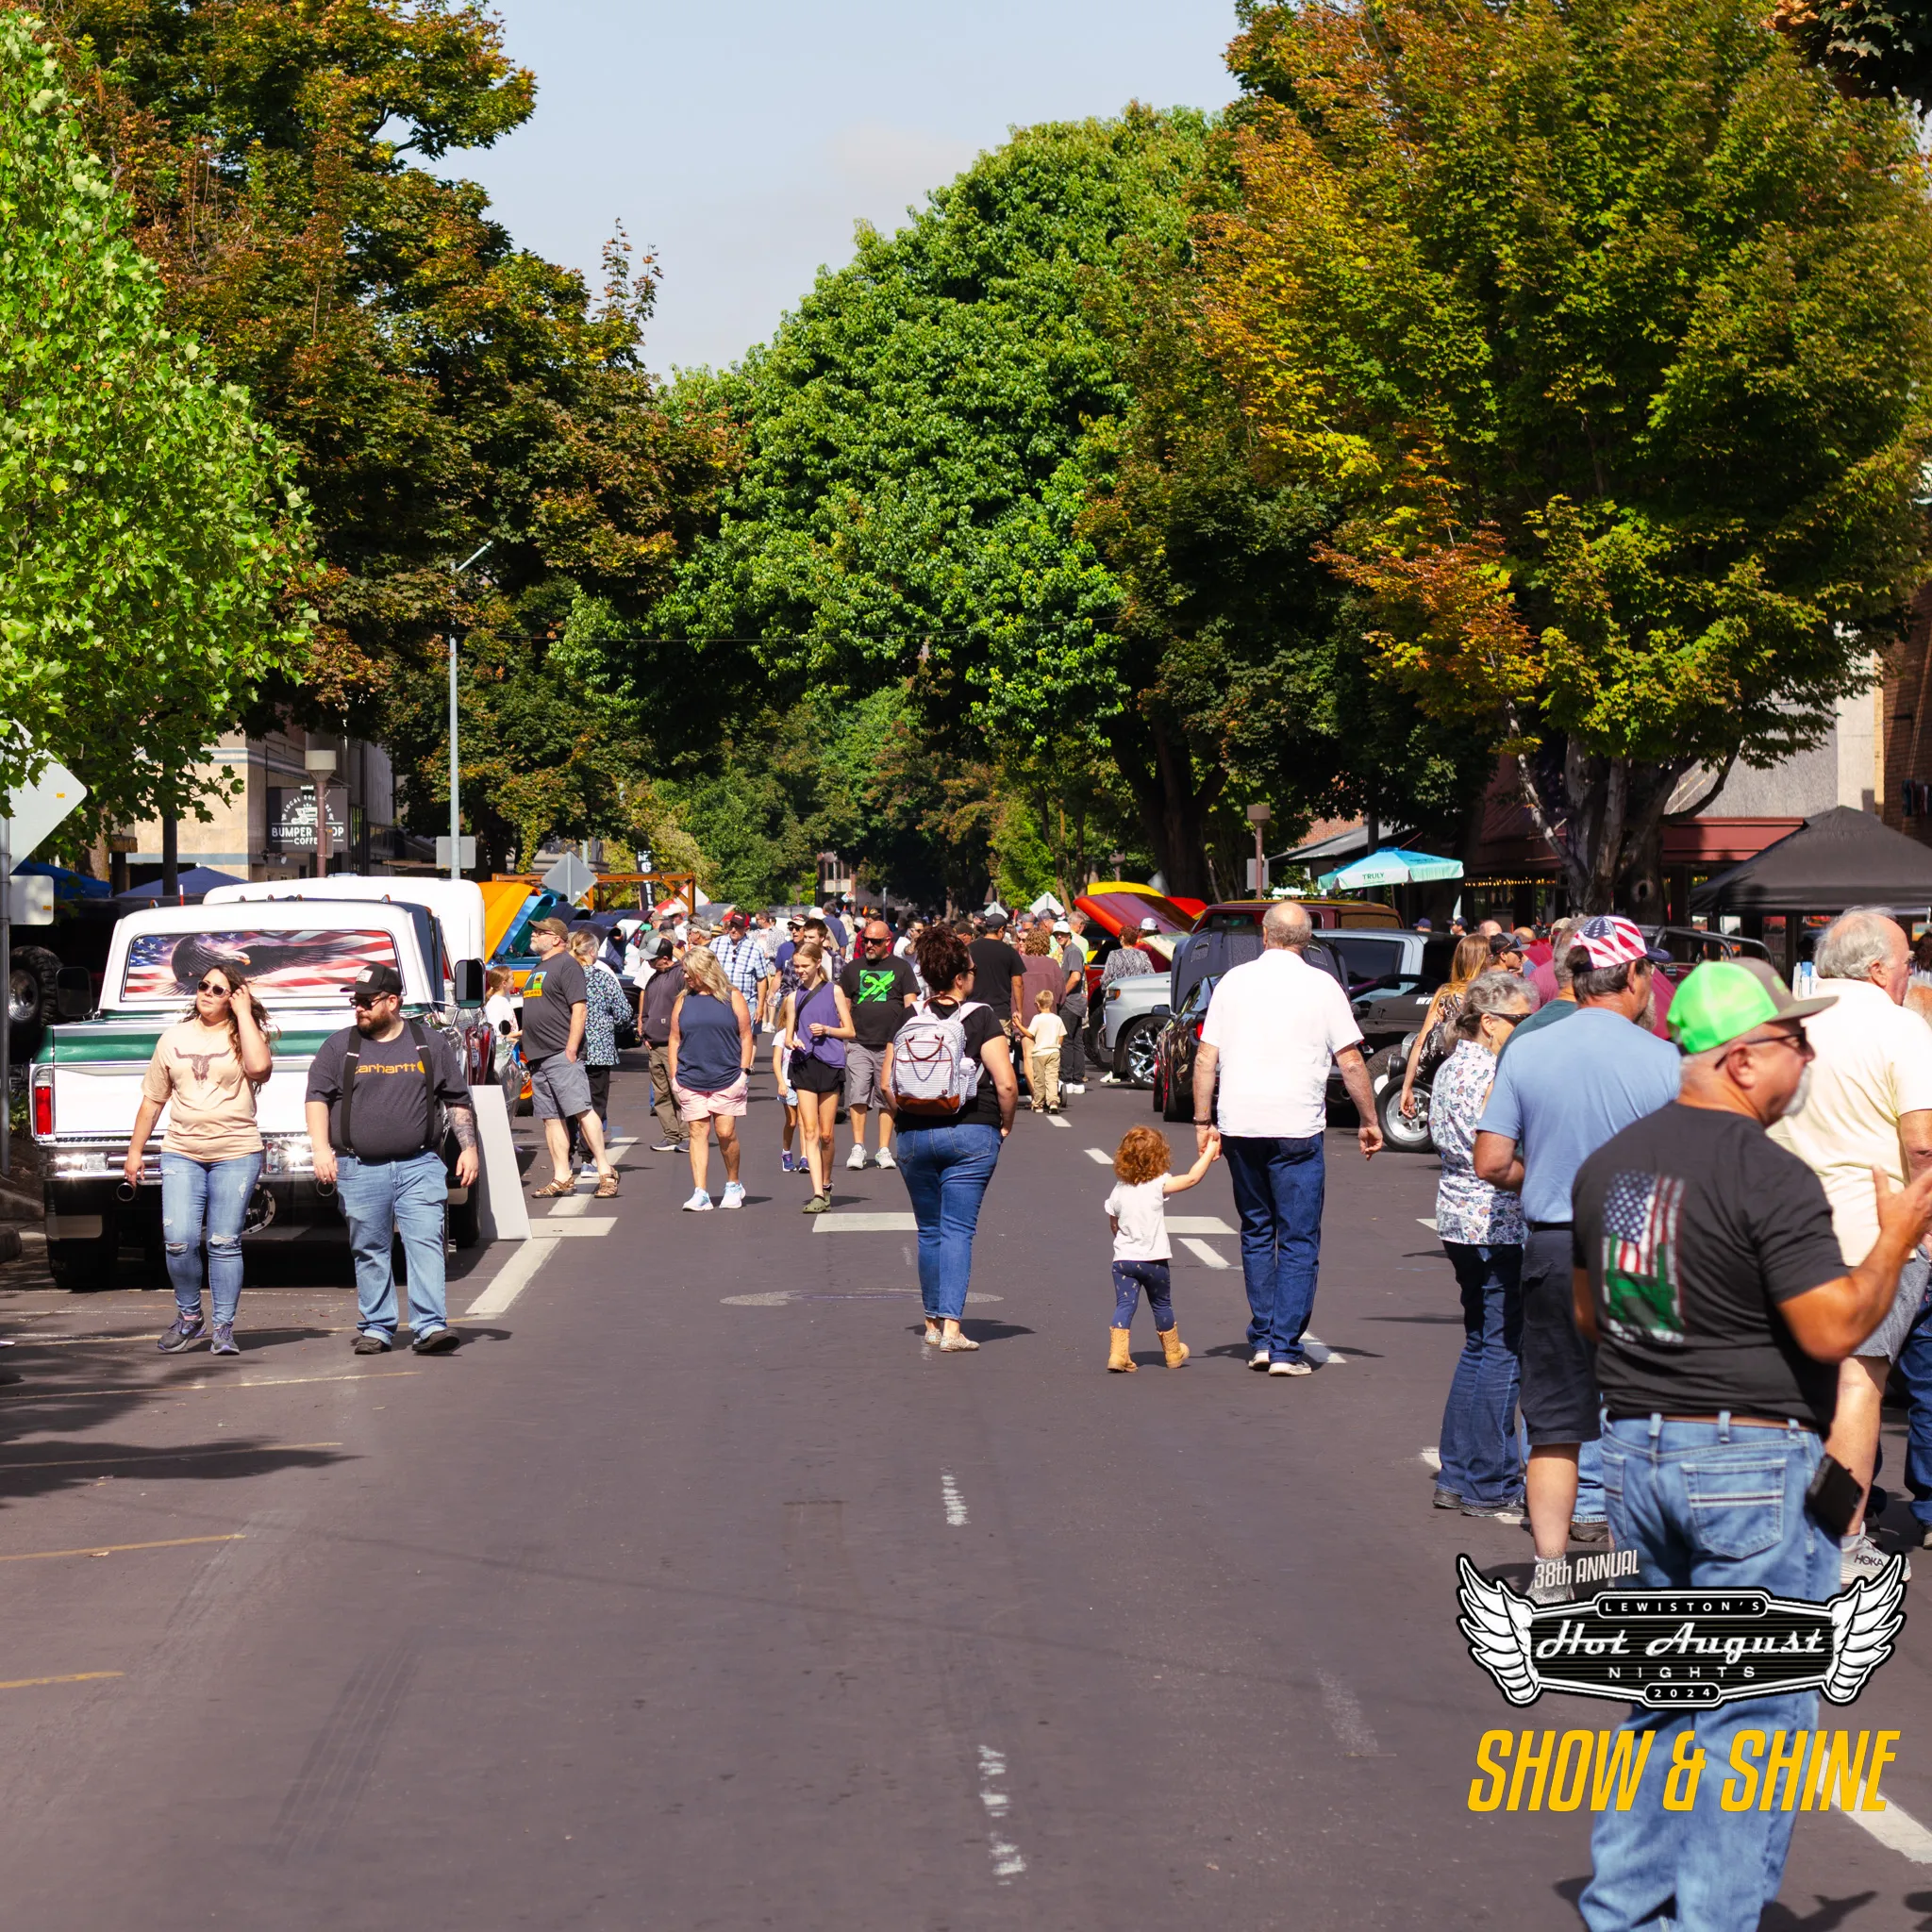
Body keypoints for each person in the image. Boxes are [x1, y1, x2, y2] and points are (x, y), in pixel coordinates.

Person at [1573, 958, 1932, 1932]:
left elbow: (1587, 1309)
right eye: (1790, 1042)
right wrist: (1896, 1231)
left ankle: (1623, 1910)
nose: (1803, 1058)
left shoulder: (1613, 1162)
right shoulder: (1767, 1172)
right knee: (1752, 1724)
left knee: (1664, 1699)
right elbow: (1829, 1327)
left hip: (1635, 1452)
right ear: (1738, 1059)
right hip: (1740, 1459)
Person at [1474, 915, 1679, 1592]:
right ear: (1632, 976)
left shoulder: (1530, 1051)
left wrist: (1551, 1175)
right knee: (1641, 1415)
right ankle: (1639, 1570)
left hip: (1555, 1245)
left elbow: (1490, 1160)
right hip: (1637, 1244)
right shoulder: (1662, 1059)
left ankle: (1551, 1570)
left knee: (1556, 1419)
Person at [1768, 910, 1932, 1582]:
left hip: (1783, 1229)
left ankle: (1779, 1524)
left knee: (1792, 1387)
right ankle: (1842, 1538)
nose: (1908, 972)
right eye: (1903, 962)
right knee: (1860, 1384)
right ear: (1876, 969)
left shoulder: (1793, 1022)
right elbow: (1921, 1141)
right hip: (1873, 1233)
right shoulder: (1900, 1028)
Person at [1191, 901, 1383, 1375]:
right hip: (1297, 1126)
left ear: (1265, 935)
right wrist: (1368, 1119)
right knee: (1297, 1238)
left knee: (1256, 1230)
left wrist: (1202, 1120)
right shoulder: (1322, 986)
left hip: (1240, 1123)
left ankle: (1262, 1337)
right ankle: (1283, 1348)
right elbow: (1352, 1060)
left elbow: (1205, 1057)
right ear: (1307, 941)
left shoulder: (1233, 982)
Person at [305, 965, 477, 1355]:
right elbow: (317, 1097)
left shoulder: (429, 1044)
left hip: (420, 1164)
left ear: (393, 1002)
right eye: (356, 1002)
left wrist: (469, 1147)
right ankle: (377, 1327)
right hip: (358, 1167)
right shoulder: (339, 1046)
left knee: (427, 1244)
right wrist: (320, 1149)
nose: (359, 1009)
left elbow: (456, 1098)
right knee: (370, 1249)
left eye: (367, 1002)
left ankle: (430, 1326)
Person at [1426, 972, 1535, 1516]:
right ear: (1489, 1021)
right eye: (1520, 1019)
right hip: (1494, 1221)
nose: (1526, 1028)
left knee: (1479, 1344)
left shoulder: (1453, 1066)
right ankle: (1489, 1480)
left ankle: (1459, 1473)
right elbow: (1493, 1157)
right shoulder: (1488, 1070)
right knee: (1500, 1348)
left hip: (1458, 1217)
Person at [882, 924, 1019, 1352]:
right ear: (960, 978)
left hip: (913, 1136)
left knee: (929, 1231)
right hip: (971, 1132)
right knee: (958, 1229)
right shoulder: (980, 1017)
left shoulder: (909, 1017)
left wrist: (909, 1112)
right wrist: (1005, 1124)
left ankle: (931, 1324)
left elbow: (888, 1084)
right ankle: (954, 1329)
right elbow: (1007, 1084)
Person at [126, 962, 274, 1356]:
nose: (207, 993)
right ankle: (190, 1317)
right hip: (181, 1152)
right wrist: (135, 1151)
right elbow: (153, 1099)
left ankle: (224, 1328)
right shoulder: (172, 1038)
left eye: (219, 990)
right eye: (203, 986)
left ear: (234, 997)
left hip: (236, 1152)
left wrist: (244, 1014)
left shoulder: (243, 1034)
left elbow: (260, 1069)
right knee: (179, 1241)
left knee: (224, 1242)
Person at [1104, 1124, 1220, 1372]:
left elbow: (1114, 1225)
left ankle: (1117, 1354)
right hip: (1154, 1261)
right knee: (1161, 1305)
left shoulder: (1118, 1190)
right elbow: (1191, 1178)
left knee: (1125, 1305)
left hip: (1123, 1262)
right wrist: (1211, 1149)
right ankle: (1173, 1353)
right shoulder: (1158, 1184)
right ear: (1159, 1157)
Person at [522, 917, 619, 1199]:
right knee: (551, 1118)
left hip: (560, 1052)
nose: (534, 935)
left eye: (541, 932)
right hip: (539, 1056)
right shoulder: (538, 968)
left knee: (581, 1109)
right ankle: (562, 1176)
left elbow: (579, 1008)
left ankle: (605, 1170)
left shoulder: (566, 964)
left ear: (556, 939)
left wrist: (572, 1048)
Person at [668, 943, 756, 1211]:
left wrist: (744, 1072)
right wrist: (674, 1076)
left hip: (727, 1075)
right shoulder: (683, 999)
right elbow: (674, 1037)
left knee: (725, 1132)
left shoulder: (732, 997)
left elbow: (746, 1035)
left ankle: (733, 1183)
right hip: (690, 1077)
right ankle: (701, 1192)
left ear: (705, 971)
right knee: (697, 1132)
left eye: (688, 972)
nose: (684, 977)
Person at [838, 919, 919, 1171]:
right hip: (859, 1041)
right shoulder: (852, 968)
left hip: (891, 1043)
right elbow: (844, 1005)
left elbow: (911, 1005)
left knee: (886, 1095)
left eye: (874, 941)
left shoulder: (902, 968)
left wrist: (909, 1038)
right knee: (858, 1093)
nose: (869, 945)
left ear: (887, 942)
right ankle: (858, 1147)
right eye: (866, 940)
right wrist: (844, 1038)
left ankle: (884, 1149)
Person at [776, 939, 844, 1212]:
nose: (799, 970)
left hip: (830, 1063)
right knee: (810, 1130)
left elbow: (849, 1031)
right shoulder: (793, 998)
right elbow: (788, 1036)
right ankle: (817, 1193)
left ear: (818, 963)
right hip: (804, 1065)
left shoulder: (834, 991)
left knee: (827, 1134)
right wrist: (793, 1042)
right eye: (796, 966)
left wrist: (827, 1030)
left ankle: (826, 1183)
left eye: (805, 965)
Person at [1398, 934, 1490, 1121]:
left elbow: (1420, 1043)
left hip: (1451, 1080)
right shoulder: (1492, 994)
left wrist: (1407, 1087)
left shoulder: (1447, 994)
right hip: (1486, 1081)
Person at [638, 939, 690, 1157]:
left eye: (653, 959)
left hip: (673, 1045)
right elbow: (648, 1008)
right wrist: (644, 1028)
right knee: (661, 1094)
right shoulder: (653, 979)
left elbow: (686, 1005)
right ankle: (671, 1135)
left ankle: (688, 1136)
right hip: (654, 1044)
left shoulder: (680, 975)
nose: (649, 963)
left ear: (665, 958)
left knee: (679, 1091)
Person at [712, 910, 774, 1032]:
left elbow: (761, 979)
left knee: (747, 1037)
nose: (733, 930)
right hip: (720, 1000)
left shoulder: (755, 949)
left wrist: (760, 1006)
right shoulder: (717, 943)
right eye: (732, 926)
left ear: (746, 929)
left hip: (746, 1002)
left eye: (738, 927)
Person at [967, 911, 1026, 1037]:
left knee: (974, 1052)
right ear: (1001, 930)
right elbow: (1018, 983)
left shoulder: (970, 949)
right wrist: (1019, 1010)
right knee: (1000, 1053)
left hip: (973, 1010)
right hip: (1000, 1012)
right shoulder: (1010, 952)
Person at [1057, 914, 1091, 1094]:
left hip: (1070, 1003)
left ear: (1069, 933)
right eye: (1056, 934)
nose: (1059, 937)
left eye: (1062, 934)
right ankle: (1077, 1080)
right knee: (1076, 1041)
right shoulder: (1070, 951)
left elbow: (1076, 976)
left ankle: (1068, 1079)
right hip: (1076, 1003)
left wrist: (1062, 994)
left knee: (1067, 1041)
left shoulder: (1073, 951)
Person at [1022, 989, 1068, 1112]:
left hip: (1039, 1053)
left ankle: (1039, 1103)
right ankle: (1053, 1101)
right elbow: (1061, 1036)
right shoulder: (1057, 1019)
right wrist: (1057, 1045)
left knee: (1039, 1079)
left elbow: (1030, 1034)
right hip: (1053, 1052)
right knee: (1052, 1077)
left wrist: (1019, 1025)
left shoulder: (1037, 1019)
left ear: (1037, 1005)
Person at [483, 966, 523, 1111]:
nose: (515, 980)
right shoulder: (495, 1004)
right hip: (503, 1053)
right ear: (504, 983)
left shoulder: (505, 999)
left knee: (511, 1092)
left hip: (510, 1050)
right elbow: (496, 1034)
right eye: (512, 977)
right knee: (506, 1093)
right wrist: (518, 1034)